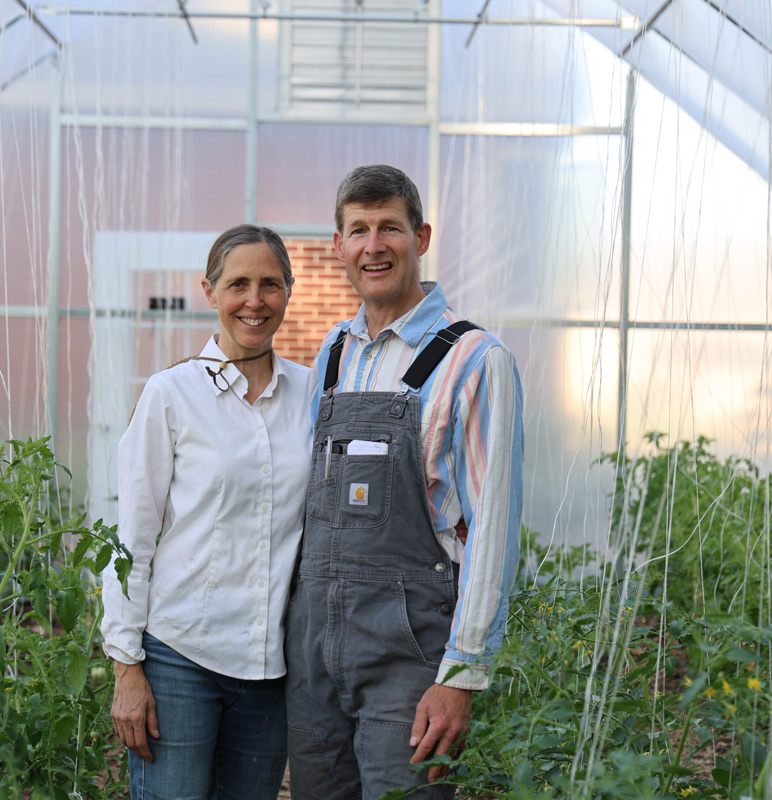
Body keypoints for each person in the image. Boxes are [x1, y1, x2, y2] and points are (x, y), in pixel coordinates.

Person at [285, 164, 524, 799]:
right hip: (313, 653)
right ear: (338, 245)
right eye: (358, 230)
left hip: (410, 654)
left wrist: (461, 675)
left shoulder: (476, 360)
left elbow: (493, 529)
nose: (374, 246)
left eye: (389, 227)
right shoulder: (333, 352)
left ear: (420, 237)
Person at [102, 224, 312, 800]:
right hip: (180, 657)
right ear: (209, 291)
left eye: (270, 284)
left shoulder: (312, 393)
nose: (254, 300)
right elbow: (131, 540)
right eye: (238, 284)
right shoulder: (170, 394)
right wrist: (126, 666)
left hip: (270, 668)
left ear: (288, 291)